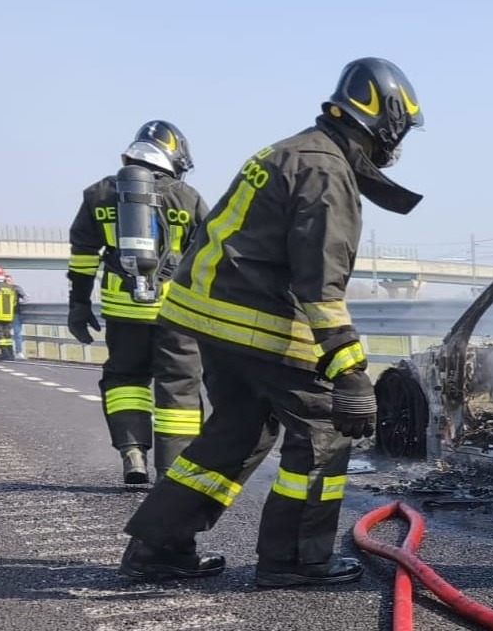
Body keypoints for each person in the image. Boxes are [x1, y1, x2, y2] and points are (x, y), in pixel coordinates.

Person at [117, 57, 425, 588]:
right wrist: (350, 372)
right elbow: (321, 285)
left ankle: (159, 546)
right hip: (251, 317)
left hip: (212, 314)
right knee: (323, 430)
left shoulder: (293, 150)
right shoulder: (326, 172)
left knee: (239, 430)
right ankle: (295, 561)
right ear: (387, 120)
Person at [66, 120, 210, 485]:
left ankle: (133, 454)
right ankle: (172, 471)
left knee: (125, 379)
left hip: (123, 312)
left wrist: (79, 304)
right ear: (173, 156)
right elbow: (210, 256)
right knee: (179, 385)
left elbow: (83, 255)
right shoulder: (188, 198)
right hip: (177, 314)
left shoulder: (98, 194)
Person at [5, 274, 29, 359]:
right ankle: (8, 352)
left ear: (12, 281)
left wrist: (24, 301)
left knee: (17, 333)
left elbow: (25, 296)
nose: (7, 282)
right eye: (5, 281)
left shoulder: (16, 288)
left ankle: (19, 352)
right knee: (6, 334)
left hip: (15, 313)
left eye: (9, 280)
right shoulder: (1, 290)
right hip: (5, 315)